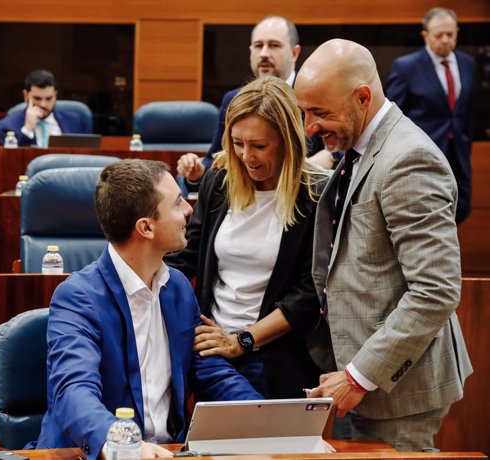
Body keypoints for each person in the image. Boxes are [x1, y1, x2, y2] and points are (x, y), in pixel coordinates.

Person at [294, 39, 472, 451]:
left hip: (396, 389)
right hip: (355, 375)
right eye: (305, 112)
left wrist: (359, 374)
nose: (309, 128)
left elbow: (436, 290)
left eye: (320, 113)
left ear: (362, 97)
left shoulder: (409, 160)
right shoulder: (361, 147)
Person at [33, 159, 263, 460]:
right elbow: (73, 391)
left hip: (169, 452)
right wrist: (124, 444)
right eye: (178, 202)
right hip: (91, 454)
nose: (189, 210)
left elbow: (211, 371)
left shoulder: (178, 287)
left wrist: (270, 421)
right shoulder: (78, 297)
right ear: (146, 227)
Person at [166, 76, 327, 398]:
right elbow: (187, 255)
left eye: (258, 146)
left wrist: (243, 340)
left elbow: (309, 294)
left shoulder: (317, 194)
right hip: (213, 350)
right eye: (237, 143)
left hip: (276, 356)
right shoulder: (220, 180)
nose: (245, 156)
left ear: (286, 140)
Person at [177, 16, 332, 191]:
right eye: (258, 46)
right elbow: (216, 159)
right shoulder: (234, 99)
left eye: (274, 45)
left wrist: (331, 155)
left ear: (294, 53)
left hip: (306, 196)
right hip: (249, 195)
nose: (264, 54)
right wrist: (197, 172)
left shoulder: (313, 96)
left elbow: (346, 143)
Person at [386, 8, 476, 224]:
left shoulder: (467, 63)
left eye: (450, 34)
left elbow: (467, 112)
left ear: (457, 32)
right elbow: (393, 118)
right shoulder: (406, 67)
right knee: (427, 216)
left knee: (460, 210)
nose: (445, 40)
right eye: (438, 35)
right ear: (425, 35)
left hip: (459, 156)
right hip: (423, 156)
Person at [0, 69, 86, 147]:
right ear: (26, 95)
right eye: (37, 98)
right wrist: (27, 129)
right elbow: (10, 161)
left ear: (55, 95)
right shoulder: (8, 125)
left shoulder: (74, 121)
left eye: (49, 98)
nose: (43, 104)